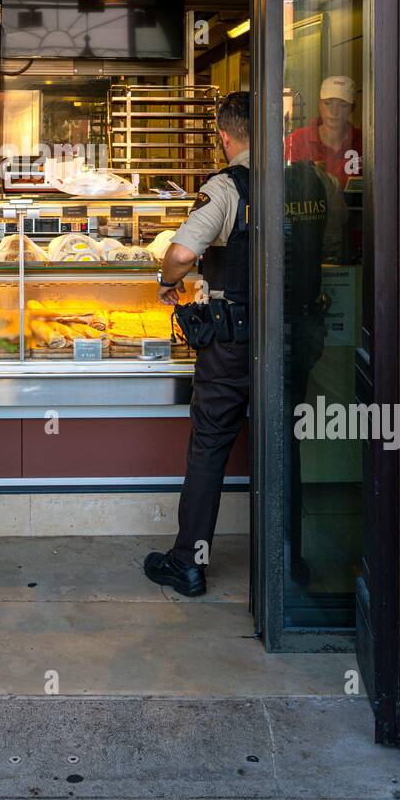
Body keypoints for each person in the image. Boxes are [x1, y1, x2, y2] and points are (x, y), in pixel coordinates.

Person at [144, 91, 251, 597]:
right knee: (293, 442)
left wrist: (169, 281)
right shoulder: (309, 180)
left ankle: (188, 562)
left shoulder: (227, 188)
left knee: (210, 447)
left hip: (232, 340)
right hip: (296, 339)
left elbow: (182, 252)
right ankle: (292, 557)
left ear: (224, 137)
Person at [284, 75, 362, 190]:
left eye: (343, 105)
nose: (334, 111)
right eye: (327, 103)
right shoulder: (297, 141)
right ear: (319, 105)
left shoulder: (365, 142)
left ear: (352, 108)